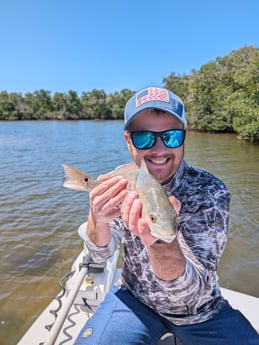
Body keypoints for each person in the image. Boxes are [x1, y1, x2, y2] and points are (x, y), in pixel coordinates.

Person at [75, 86, 259, 345]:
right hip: (134, 299)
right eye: (143, 138)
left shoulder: (210, 192)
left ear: (185, 137)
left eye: (171, 136)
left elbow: (189, 293)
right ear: (128, 141)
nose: (159, 149)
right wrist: (98, 217)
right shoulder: (121, 178)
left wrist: (160, 242)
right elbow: (99, 256)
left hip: (199, 312)